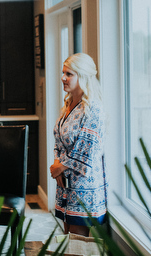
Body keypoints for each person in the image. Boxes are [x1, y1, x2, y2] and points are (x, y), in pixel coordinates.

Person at [50, 53, 107, 236]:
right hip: (66, 186)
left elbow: (87, 151)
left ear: (83, 76)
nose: (63, 78)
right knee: (68, 239)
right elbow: (58, 139)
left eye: (69, 74)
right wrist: (57, 164)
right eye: (63, 73)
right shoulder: (68, 105)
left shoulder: (93, 109)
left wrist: (59, 167)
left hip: (84, 190)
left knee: (77, 245)